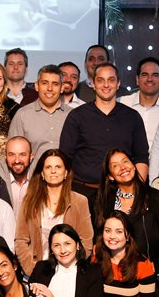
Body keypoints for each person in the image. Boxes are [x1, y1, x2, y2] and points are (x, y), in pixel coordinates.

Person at [60, 62, 149, 220]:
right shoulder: (77, 116)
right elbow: (65, 158)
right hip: (82, 193)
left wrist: (136, 193)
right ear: (93, 84)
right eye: (100, 80)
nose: (106, 85)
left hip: (121, 194)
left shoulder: (132, 117)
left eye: (111, 80)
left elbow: (141, 157)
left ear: (118, 84)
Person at [95, 149, 159, 273]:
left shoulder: (152, 197)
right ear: (110, 176)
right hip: (112, 272)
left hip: (146, 272)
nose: (122, 167)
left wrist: (158, 265)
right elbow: (98, 236)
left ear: (133, 166)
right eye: (115, 165)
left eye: (125, 161)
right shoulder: (104, 200)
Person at [15, 149, 93, 275]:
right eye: (48, 167)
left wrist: (71, 269)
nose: (53, 171)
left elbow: (86, 241)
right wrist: (32, 269)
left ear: (66, 172)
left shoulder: (80, 201)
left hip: (69, 273)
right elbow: (21, 240)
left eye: (58, 167)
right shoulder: (29, 201)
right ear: (42, 173)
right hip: (37, 272)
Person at [8, 64, 70, 173]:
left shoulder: (73, 115)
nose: (49, 88)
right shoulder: (22, 115)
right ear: (37, 86)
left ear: (62, 88)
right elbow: (13, 154)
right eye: (45, 83)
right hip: (33, 179)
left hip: (66, 179)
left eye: (55, 84)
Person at [119, 56, 159, 149]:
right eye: (145, 75)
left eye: (155, 75)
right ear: (137, 79)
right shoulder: (121, 103)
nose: (149, 79)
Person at [0, 136, 33, 212]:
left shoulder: (40, 178)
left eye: (22, 155)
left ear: (31, 157)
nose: (17, 160)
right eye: (12, 155)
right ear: (5, 156)